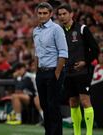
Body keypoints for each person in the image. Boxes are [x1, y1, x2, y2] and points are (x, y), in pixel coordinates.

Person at [57, 3, 99, 135]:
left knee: (85, 101)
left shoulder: (82, 29)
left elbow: (95, 49)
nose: (62, 16)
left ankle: (89, 133)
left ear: (71, 14)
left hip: (82, 71)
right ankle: (76, 133)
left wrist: (85, 62)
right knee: (73, 102)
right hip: (67, 72)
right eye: (60, 14)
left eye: (64, 14)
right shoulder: (59, 32)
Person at [33, 2, 68, 135]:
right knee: (45, 106)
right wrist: (36, 71)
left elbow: (63, 53)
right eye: (40, 13)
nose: (42, 16)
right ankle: (49, 132)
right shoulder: (35, 30)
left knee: (53, 106)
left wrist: (57, 73)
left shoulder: (56, 29)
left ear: (51, 14)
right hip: (41, 72)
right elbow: (37, 52)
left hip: (54, 71)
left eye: (45, 13)